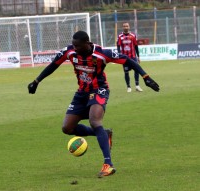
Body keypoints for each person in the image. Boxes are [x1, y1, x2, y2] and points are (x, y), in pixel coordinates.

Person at [28, 31, 159, 178]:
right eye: (74, 45)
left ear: (87, 44)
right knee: (67, 128)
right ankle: (104, 134)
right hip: (81, 93)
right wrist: (36, 81)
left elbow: (128, 60)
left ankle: (108, 165)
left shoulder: (102, 53)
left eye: (77, 45)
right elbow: (53, 65)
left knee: (94, 121)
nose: (75, 48)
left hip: (99, 89)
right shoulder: (70, 51)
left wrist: (146, 77)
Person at [117, 22, 142, 92]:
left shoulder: (133, 35)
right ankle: (128, 87)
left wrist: (138, 56)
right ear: (123, 27)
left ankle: (137, 86)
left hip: (133, 57)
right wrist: (119, 55)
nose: (125, 27)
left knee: (136, 70)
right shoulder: (120, 36)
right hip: (125, 58)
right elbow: (118, 46)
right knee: (126, 72)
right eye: (124, 26)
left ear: (129, 27)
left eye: (127, 26)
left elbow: (136, 46)